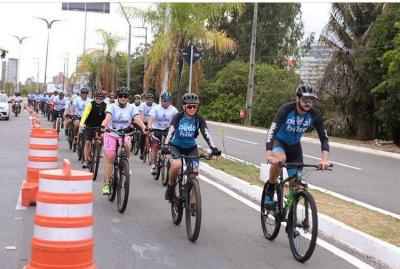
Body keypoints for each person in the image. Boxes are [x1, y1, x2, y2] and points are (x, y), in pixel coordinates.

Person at [264, 84, 330, 208]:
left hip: (294, 147)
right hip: (279, 142)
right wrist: (269, 154)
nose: (308, 103)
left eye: (311, 100)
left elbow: (324, 138)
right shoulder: (286, 109)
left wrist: (325, 160)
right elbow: (272, 131)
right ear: (297, 99)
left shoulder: (314, 114)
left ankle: (291, 219)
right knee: (280, 160)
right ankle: (270, 188)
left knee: (297, 186)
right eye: (305, 99)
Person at [163, 92, 221, 201]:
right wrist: (166, 146)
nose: (192, 109)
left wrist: (214, 149)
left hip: (191, 148)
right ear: (184, 106)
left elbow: (206, 134)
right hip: (176, 146)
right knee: (176, 165)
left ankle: (193, 203)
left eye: (195, 106)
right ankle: (170, 187)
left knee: (195, 172)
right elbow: (171, 131)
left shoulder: (198, 119)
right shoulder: (178, 117)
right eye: (189, 106)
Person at [100, 86, 147, 195]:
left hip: (124, 133)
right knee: (111, 157)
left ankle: (124, 165)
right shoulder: (111, 106)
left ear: (128, 98)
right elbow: (108, 117)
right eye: (120, 96)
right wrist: (103, 125)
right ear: (118, 97)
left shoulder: (131, 108)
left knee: (127, 146)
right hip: (111, 133)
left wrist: (144, 128)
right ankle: (106, 184)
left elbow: (137, 119)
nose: (122, 98)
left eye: (125, 96)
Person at [148, 91, 178, 175]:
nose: (166, 103)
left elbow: (178, 120)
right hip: (156, 129)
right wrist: (149, 128)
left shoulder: (173, 109)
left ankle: (167, 160)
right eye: (164, 101)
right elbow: (150, 118)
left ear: (171, 101)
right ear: (161, 101)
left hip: (168, 130)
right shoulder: (156, 108)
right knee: (155, 146)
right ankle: (153, 165)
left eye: (168, 101)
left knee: (169, 147)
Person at [80, 91, 107, 169]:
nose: (99, 100)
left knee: (103, 137)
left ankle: (99, 149)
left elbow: (108, 117)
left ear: (103, 99)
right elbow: (85, 114)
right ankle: (85, 160)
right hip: (90, 126)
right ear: (94, 98)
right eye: (97, 98)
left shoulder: (106, 106)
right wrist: (82, 123)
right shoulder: (90, 104)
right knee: (88, 142)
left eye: (101, 98)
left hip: (100, 126)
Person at [138, 92, 157, 160]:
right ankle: (142, 151)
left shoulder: (155, 106)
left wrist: (152, 125)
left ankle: (152, 148)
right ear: (145, 100)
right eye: (148, 99)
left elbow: (155, 117)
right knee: (143, 137)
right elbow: (142, 115)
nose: (150, 101)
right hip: (144, 122)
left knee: (153, 136)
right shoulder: (142, 105)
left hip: (151, 122)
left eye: (151, 99)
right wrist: (144, 127)